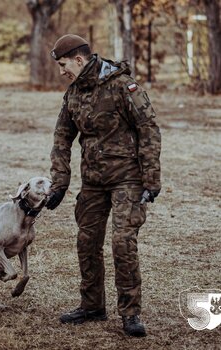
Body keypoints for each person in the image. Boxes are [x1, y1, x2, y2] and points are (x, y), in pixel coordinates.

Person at [46, 34, 161, 337]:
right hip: (93, 182)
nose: (62, 72)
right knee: (87, 242)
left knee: (122, 243)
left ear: (79, 60)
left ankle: (131, 313)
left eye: (63, 65)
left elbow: (148, 128)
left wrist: (151, 178)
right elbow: (61, 137)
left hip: (128, 179)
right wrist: (59, 182)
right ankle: (92, 305)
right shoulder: (73, 94)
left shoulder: (123, 86)